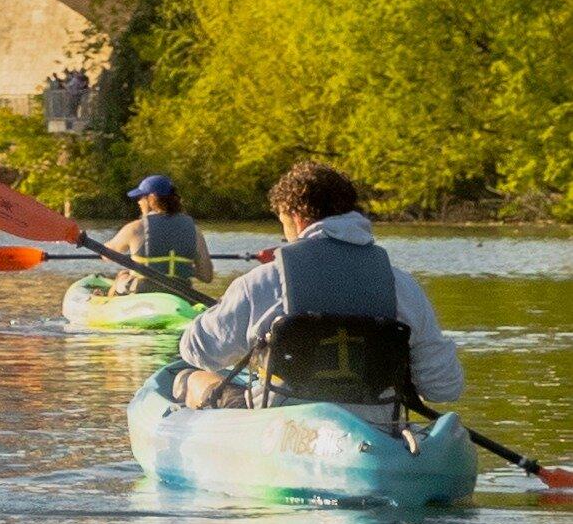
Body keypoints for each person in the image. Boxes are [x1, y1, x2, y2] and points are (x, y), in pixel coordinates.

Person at [177, 160, 461, 418]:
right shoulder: (403, 285)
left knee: (187, 378)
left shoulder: (263, 281)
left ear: (297, 215)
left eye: (283, 222)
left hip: (277, 429)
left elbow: (199, 352)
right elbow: (444, 389)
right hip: (376, 432)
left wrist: (223, 307)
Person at [105, 172, 213, 296]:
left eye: (141, 197)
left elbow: (106, 254)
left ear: (151, 199)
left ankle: (103, 304)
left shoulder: (135, 228)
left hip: (142, 291)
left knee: (122, 275)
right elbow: (207, 276)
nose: (138, 202)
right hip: (181, 293)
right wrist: (185, 268)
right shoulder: (195, 230)